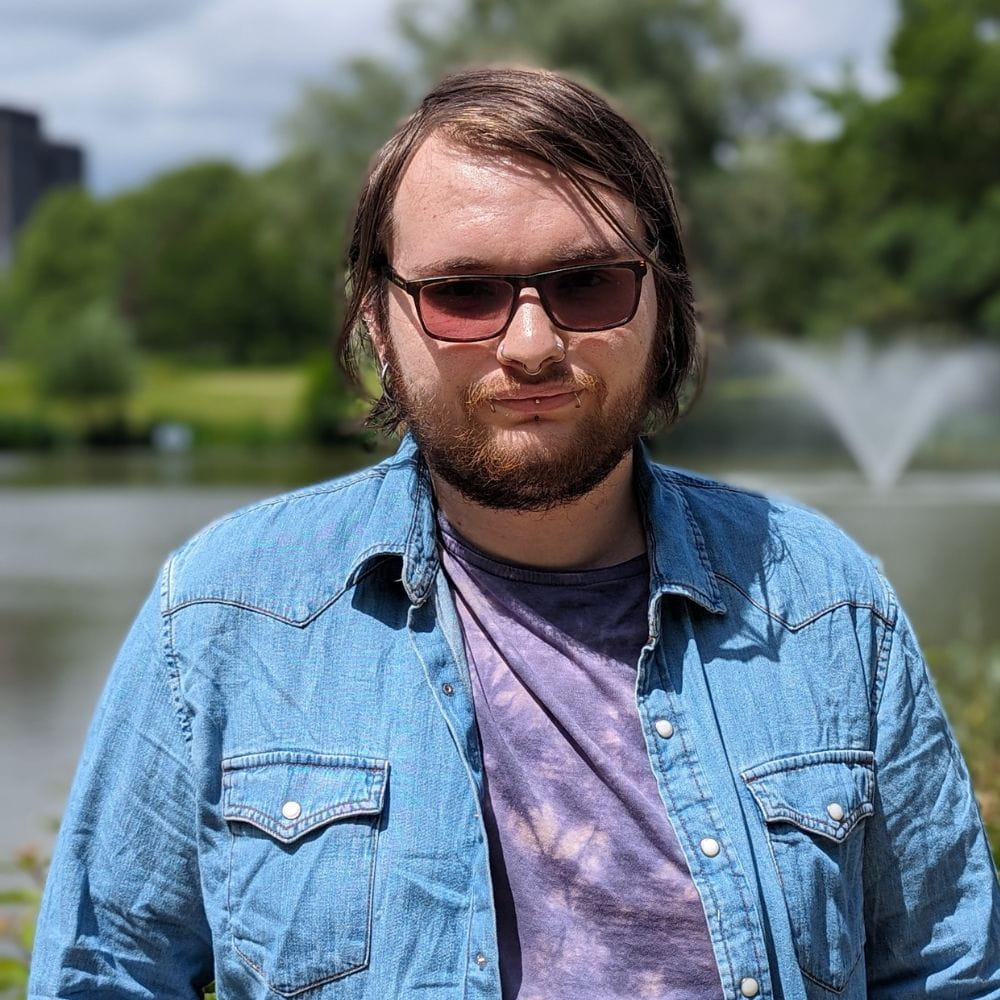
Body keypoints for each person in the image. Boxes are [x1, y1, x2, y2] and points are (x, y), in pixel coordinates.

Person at [29, 66, 1000, 1000]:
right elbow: (101, 976)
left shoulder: (825, 599)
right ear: (377, 322)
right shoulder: (223, 612)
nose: (532, 344)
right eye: (464, 293)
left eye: (587, 283)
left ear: (662, 305)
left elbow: (949, 976)